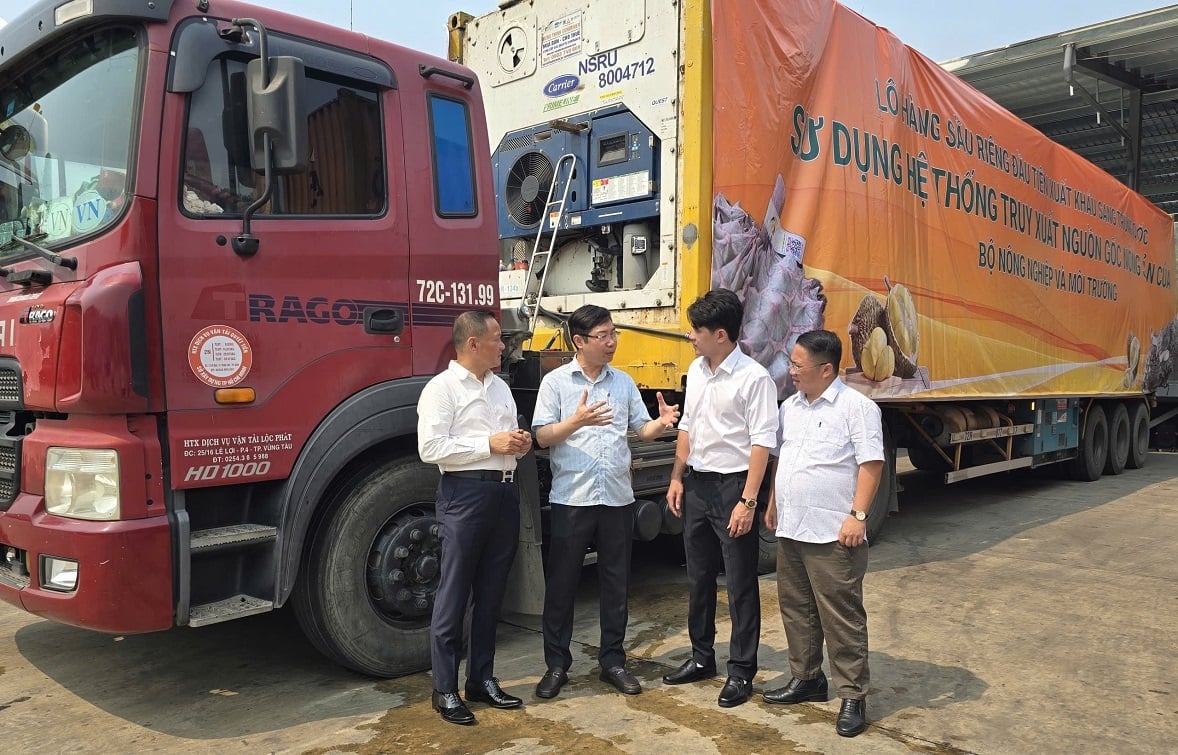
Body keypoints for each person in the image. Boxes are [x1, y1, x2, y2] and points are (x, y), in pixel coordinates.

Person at [531, 305, 680, 699]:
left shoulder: (623, 382)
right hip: (572, 499)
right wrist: (576, 422)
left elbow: (641, 430)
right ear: (579, 341)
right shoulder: (556, 383)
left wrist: (662, 423)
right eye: (603, 335)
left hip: (617, 498)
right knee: (562, 584)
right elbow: (541, 437)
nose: (612, 342)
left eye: (614, 333)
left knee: (616, 583)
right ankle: (556, 665)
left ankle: (613, 661)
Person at [761, 329, 884, 738]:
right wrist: (774, 502)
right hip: (793, 526)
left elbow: (871, 464)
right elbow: (782, 459)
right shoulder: (791, 407)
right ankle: (807, 678)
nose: (791, 371)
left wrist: (858, 516)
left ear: (826, 369)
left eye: (798, 365)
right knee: (797, 608)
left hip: (833, 533)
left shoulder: (857, 408)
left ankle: (853, 695)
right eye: (791, 363)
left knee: (841, 616)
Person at [417, 310, 533, 726]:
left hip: (504, 492)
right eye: (497, 338)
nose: (503, 345)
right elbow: (431, 448)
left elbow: (507, 438)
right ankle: (444, 689)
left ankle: (481, 679)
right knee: (454, 592)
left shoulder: (500, 387)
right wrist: (490, 444)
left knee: (491, 592)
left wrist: (519, 443)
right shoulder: (441, 389)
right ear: (472, 343)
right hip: (464, 495)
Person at [664, 288, 778, 708]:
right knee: (698, 578)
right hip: (697, 485)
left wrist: (748, 501)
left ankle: (742, 671)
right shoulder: (696, 371)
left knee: (741, 582)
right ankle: (701, 657)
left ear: (721, 335)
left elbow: (762, 443)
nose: (691, 336)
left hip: (734, 487)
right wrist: (677, 478)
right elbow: (687, 427)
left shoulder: (754, 378)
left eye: (697, 330)